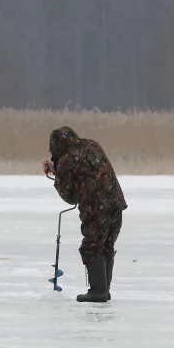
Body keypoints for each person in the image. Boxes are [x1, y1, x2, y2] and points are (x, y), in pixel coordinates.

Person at [42, 126, 127, 303]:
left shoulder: (66, 159)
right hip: (116, 203)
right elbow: (85, 169)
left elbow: (69, 197)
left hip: (96, 207)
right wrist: (58, 169)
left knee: (92, 246)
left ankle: (98, 292)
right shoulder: (91, 145)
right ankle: (104, 290)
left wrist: (57, 174)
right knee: (106, 245)